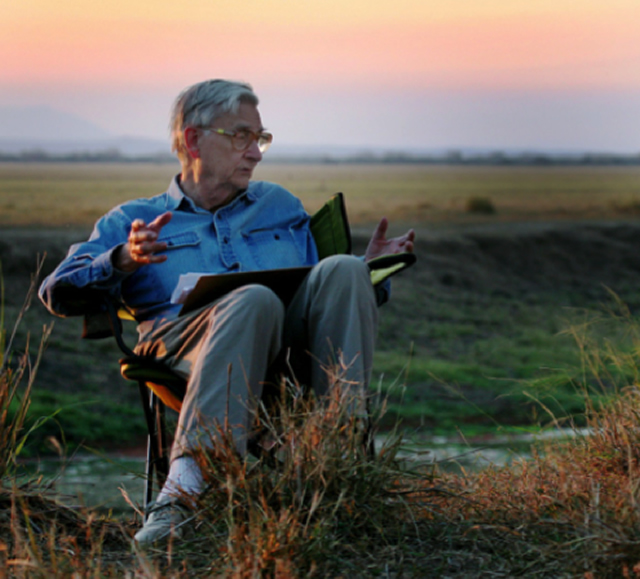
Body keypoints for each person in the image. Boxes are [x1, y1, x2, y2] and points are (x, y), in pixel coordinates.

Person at [39, 79, 415, 546]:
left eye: (260, 138)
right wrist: (122, 259)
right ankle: (184, 491)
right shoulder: (131, 217)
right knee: (252, 298)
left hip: (283, 347)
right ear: (193, 139)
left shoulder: (280, 205)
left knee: (340, 269)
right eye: (241, 136)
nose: (255, 152)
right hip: (182, 346)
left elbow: (324, 297)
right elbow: (55, 292)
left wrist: (366, 273)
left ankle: (339, 461)